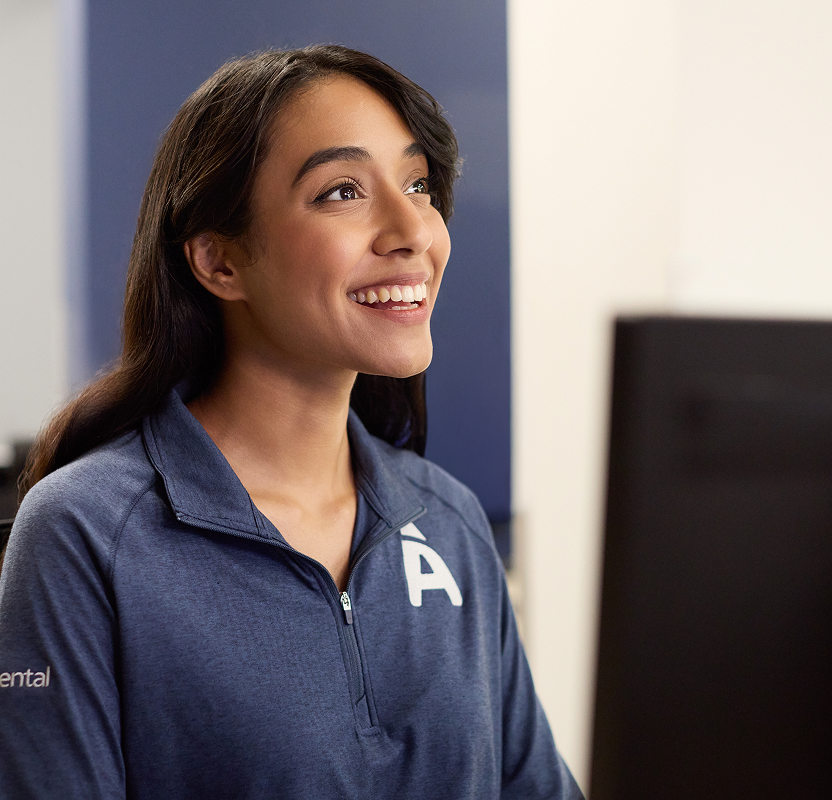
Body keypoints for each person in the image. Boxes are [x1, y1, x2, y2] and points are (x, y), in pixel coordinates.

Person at [0, 46, 583, 799]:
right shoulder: (86, 535)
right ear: (219, 261)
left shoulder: (449, 523)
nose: (414, 230)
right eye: (343, 191)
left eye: (418, 184)